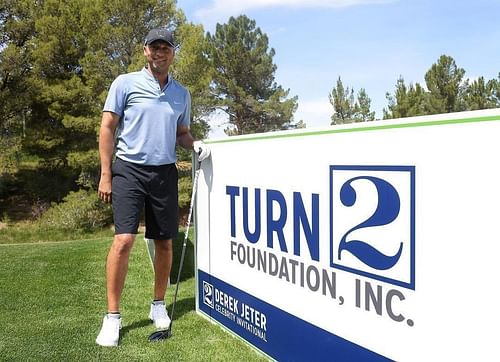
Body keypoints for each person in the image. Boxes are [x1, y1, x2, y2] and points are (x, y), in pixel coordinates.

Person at [95, 28, 210, 347]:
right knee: (123, 240)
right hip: (128, 170)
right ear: (145, 51)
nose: (160, 53)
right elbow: (107, 127)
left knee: (164, 243)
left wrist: (194, 145)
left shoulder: (181, 93)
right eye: (154, 48)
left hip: (164, 173)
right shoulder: (125, 83)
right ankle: (113, 318)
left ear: (173, 53)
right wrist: (106, 174)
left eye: (166, 48)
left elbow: (182, 133)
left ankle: (158, 305)